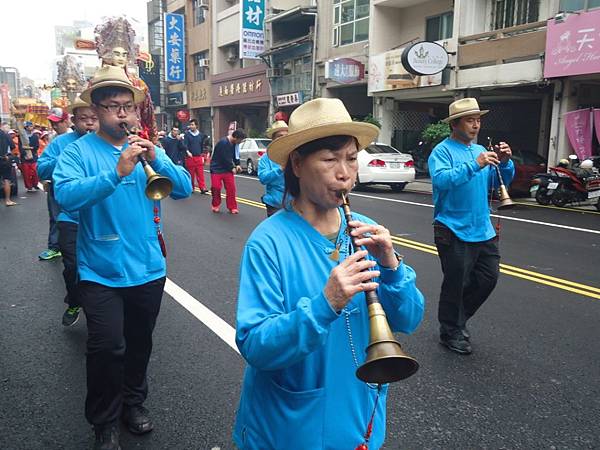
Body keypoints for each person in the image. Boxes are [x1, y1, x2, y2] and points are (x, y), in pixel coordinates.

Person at [233, 98, 424, 449]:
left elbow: (409, 319)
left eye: (351, 159)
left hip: (358, 420)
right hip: (288, 430)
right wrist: (326, 303)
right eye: (330, 159)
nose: (345, 173)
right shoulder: (268, 241)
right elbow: (256, 346)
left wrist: (392, 268)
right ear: (297, 163)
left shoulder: (364, 230)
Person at [53, 65, 192, 450]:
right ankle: (104, 422)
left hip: (148, 268)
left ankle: (134, 404)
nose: (122, 114)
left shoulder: (149, 148)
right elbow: (65, 197)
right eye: (113, 106)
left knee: (139, 344)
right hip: (100, 270)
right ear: (96, 111)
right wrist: (116, 172)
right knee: (107, 348)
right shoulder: (77, 151)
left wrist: (158, 159)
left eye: (127, 107)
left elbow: (184, 189)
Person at [428, 98, 514, 355]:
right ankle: (451, 331)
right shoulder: (442, 151)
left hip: (483, 229)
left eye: (478, 120)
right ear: (455, 124)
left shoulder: (479, 150)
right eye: (469, 120)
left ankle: (456, 321)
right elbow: (442, 180)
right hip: (452, 228)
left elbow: (498, 180)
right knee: (456, 283)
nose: (476, 125)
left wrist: (506, 161)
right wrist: (475, 163)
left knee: (488, 279)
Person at [38, 96, 99, 326]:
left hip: (102, 220)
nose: (89, 124)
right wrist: (67, 157)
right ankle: (74, 301)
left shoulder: (109, 143)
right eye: (84, 119)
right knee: (72, 266)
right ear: (74, 120)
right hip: (71, 218)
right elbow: (42, 169)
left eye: (94, 118)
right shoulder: (61, 143)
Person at [39, 107, 72, 261]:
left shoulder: (77, 138)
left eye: (57, 123)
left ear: (67, 121)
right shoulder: (54, 139)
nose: (54, 126)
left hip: (73, 186)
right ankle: (55, 246)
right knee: (55, 216)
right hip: (55, 184)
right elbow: (43, 167)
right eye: (52, 123)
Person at [210, 129, 245, 214]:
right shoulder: (223, 143)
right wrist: (232, 168)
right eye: (240, 140)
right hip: (216, 168)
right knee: (216, 187)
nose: (240, 142)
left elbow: (236, 155)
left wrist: (238, 164)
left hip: (227, 170)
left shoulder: (235, 144)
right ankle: (215, 205)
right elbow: (224, 158)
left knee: (231, 188)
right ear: (236, 137)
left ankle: (232, 207)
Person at [258, 120, 288, 217]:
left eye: (285, 136)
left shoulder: (294, 155)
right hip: (275, 205)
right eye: (280, 136)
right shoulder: (266, 158)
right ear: (273, 139)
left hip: (295, 205)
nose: (283, 138)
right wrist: (280, 169)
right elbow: (263, 178)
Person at [183, 118, 208, 193]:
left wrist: (203, 154)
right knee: (191, 174)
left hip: (198, 156)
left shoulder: (201, 135)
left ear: (196, 126)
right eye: (190, 125)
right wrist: (187, 152)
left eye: (192, 125)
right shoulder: (187, 135)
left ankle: (202, 187)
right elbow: (185, 145)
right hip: (190, 157)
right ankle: (191, 188)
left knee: (200, 174)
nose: (191, 126)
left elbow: (203, 145)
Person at [18, 121, 40, 192]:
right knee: (26, 173)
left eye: (31, 126)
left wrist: (30, 149)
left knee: (35, 172)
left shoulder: (35, 136)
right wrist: (25, 154)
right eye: (29, 126)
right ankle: (29, 186)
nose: (31, 127)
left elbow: (36, 146)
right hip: (24, 157)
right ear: (26, 127)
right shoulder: (21, 137)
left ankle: (35, 184)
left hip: (33, 156)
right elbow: (20, 147)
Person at [0, 122, 17, 206]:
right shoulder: (5, 135)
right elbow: (13, 146)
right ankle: (8, 200)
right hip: (4, 159)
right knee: (6, 179)